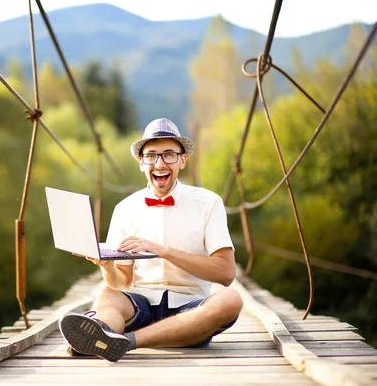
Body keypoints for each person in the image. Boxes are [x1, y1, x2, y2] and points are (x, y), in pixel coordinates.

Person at [58, 117, 243, 362]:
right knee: (106, 295)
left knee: (230, 301)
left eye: (169, 155)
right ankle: (101, 333)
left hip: (191, 310)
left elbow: (226, 273)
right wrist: (107, 265)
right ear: (141, 162)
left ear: (182, 160)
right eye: (151, 155)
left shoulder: (208, 203)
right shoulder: (125, 208)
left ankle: (125, 342)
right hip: (140, 306)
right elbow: (121, 283)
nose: (159, 163)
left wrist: (164, 251)